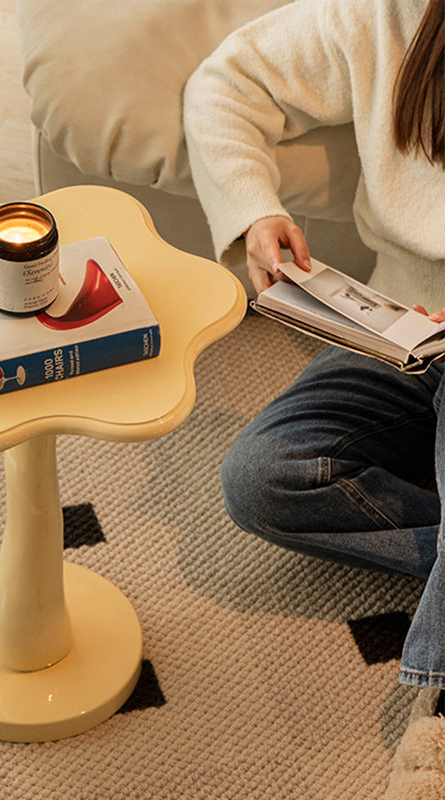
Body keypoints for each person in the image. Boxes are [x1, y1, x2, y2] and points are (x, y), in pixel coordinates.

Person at [183, 0, 445, 718]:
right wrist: (253, 211)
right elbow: (226, 83)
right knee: (261, 479)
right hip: (396, 333)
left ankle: (432, 725)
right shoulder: (386, 15)